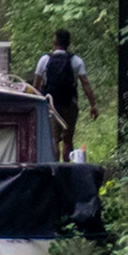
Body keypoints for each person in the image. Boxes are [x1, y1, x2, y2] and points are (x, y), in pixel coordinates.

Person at [33, 29, 99, 162]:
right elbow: (85, 83)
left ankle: (54, 171)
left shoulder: (45, 60)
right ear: (68, 43)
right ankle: (67, 171)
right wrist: (93, 104)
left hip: (50, 105)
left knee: (53, 139)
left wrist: (35, 104)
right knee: (68, 140)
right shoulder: (76, 60)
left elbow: (36, 85)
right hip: (70, 104)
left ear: (54, 42)